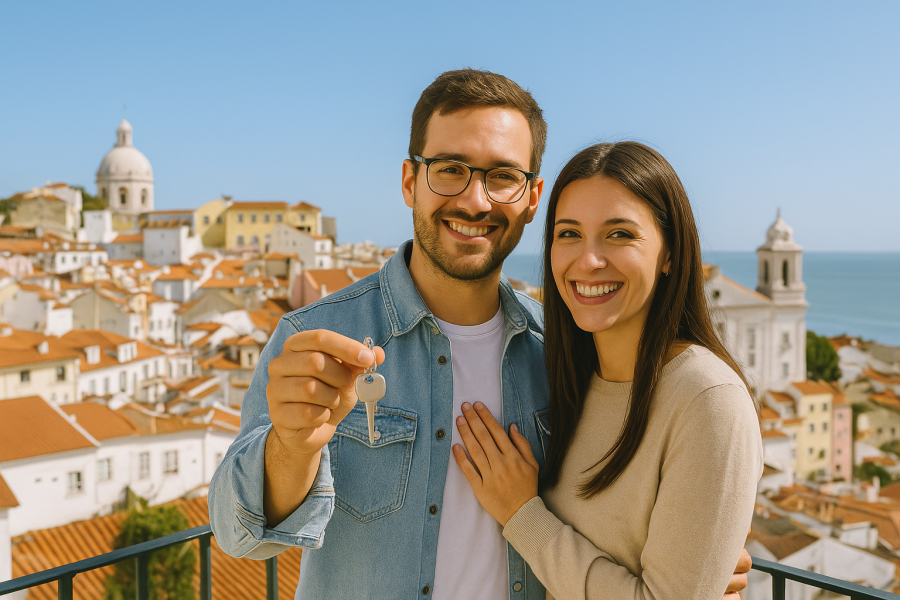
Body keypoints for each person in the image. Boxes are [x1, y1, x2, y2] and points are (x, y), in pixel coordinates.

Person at [208, 70, 752, 599]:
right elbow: (239, 538)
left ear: (533, 196)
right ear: (408, 181)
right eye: (450, 169)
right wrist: (291, 447)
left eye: (502, 176)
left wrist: (690, 566)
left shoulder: (561, 353)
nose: (475, 201)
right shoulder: (317, 337)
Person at [452, 142, 762, 599]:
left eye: (619, 234)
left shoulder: (707, 399)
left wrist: (522, 513)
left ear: (670, 254)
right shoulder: (570, 376)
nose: (589, 260)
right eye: (569, 234)